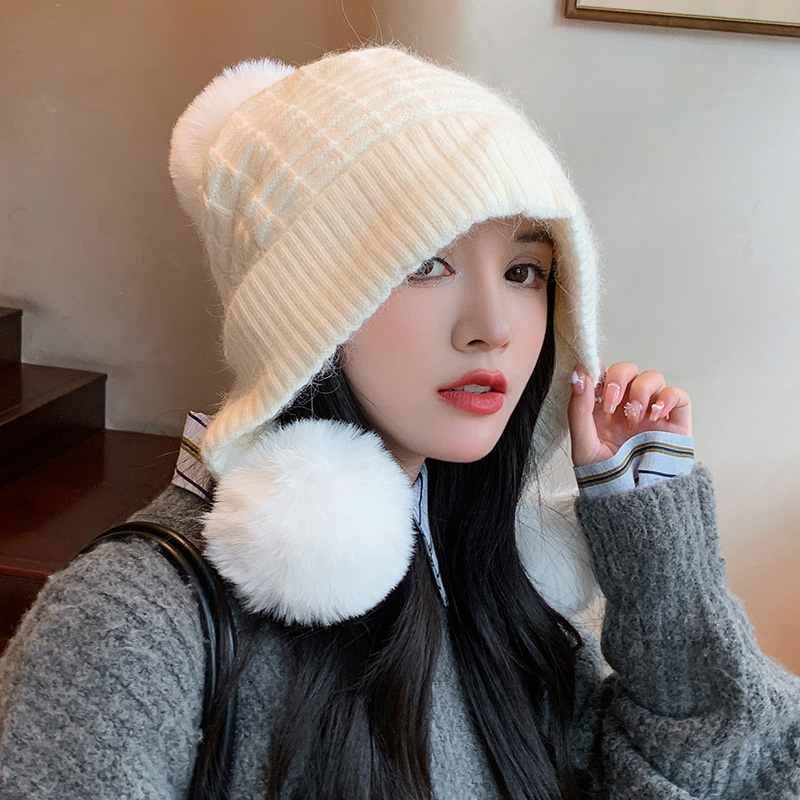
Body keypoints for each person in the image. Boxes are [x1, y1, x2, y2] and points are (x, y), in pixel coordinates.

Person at [0, 45, 798, 800]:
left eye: (524, 270)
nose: (494, 326)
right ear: (300, 307)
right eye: (424, 263)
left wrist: (658, 557)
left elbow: (748, 777)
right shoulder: (128, 620)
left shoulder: (490, 591)